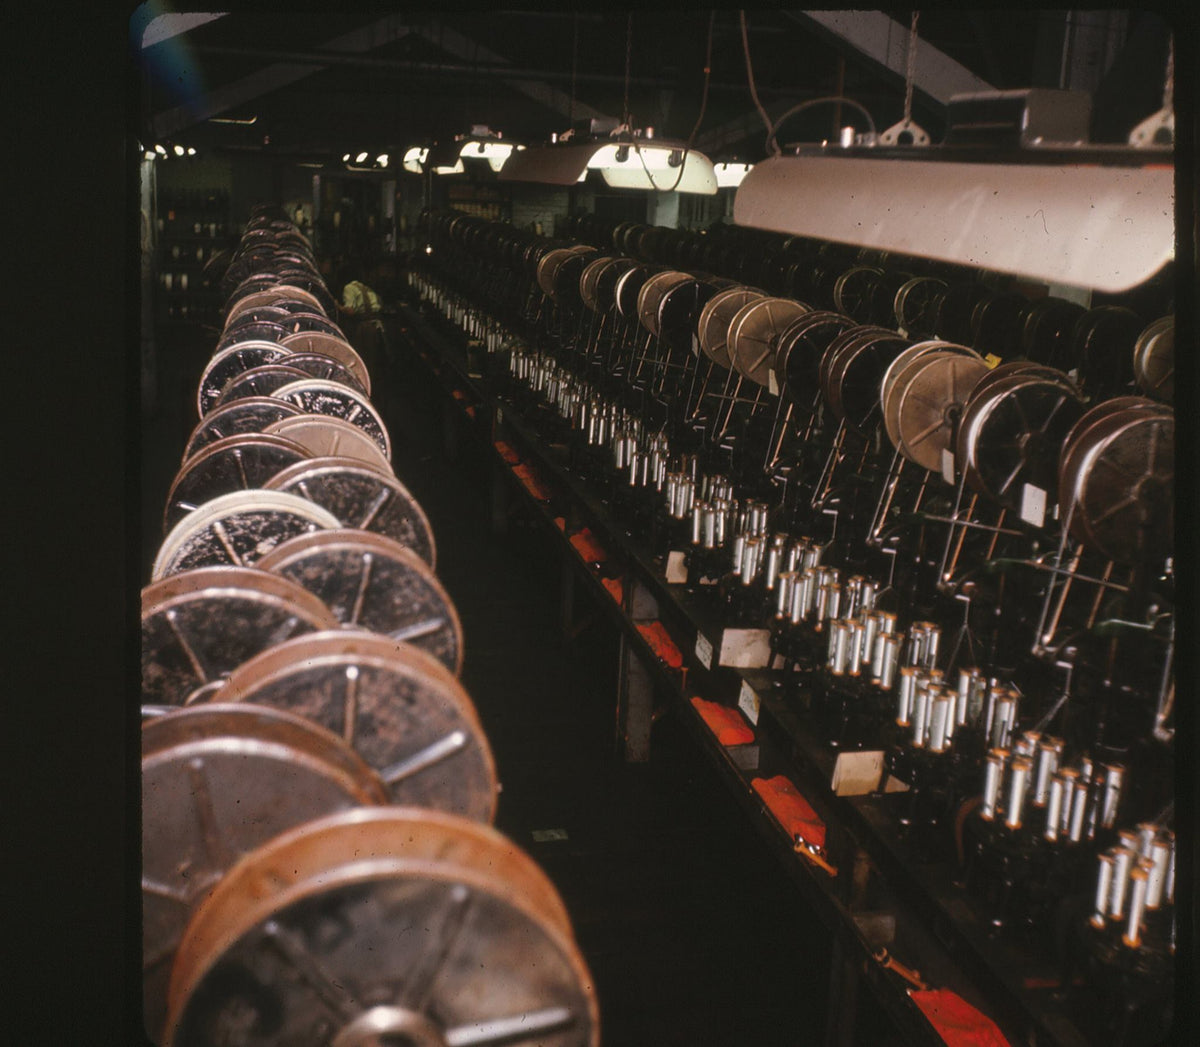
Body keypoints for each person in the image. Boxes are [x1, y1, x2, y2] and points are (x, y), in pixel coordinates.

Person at [337, 265, 385, 383]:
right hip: (377, 327)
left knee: (362, 362)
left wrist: (337, 305)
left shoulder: (349, 288)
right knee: (374, 363)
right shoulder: (365, 288)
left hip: (365, 329)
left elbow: (350, 311)